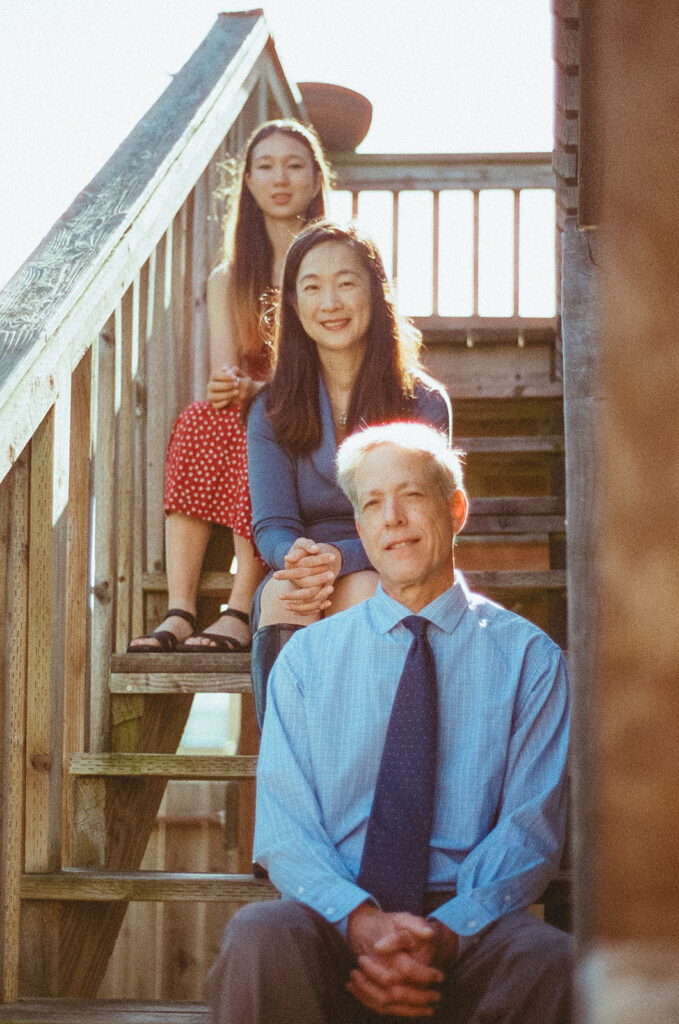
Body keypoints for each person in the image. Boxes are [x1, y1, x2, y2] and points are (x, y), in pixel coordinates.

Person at [207, 421, 572, 1023]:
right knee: (259, 937)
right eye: (372, 504)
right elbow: (286, 827)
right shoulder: (305, 660)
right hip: (336, 924)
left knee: (550, 960)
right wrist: (360, 922)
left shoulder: (531, 660)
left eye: (412, 496)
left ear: (455, 509)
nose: (392, 518)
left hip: (466, 931)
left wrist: (443, 936)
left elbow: (528, 832)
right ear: (359, 527)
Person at [128, 119, 332, 652]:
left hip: (316, 403)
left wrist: (258, 395)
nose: (280, 177)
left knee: (259, 423)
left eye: (294, 165)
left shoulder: (330, 262)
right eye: (265, 166)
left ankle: (240, 606)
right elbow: (227, 369)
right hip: (255, 404)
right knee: (201, 417)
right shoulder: (229, 275)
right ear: (247, 181)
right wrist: (231, 387)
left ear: (316, 180)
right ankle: (180, 608)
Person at [246, 221, 452, 723]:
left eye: (346, 282)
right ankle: (290, 769)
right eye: (312, 287)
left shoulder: (422, 402)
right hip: (305, 563)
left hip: (395, 555)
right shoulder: (271, 408)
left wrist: (344, 557)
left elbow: (428, 524)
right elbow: (271, 523)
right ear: (293, 306)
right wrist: (295, 558)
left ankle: (362, 776)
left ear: (376, 292)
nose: (330, 302)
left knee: (362, 590)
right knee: (282, 594)